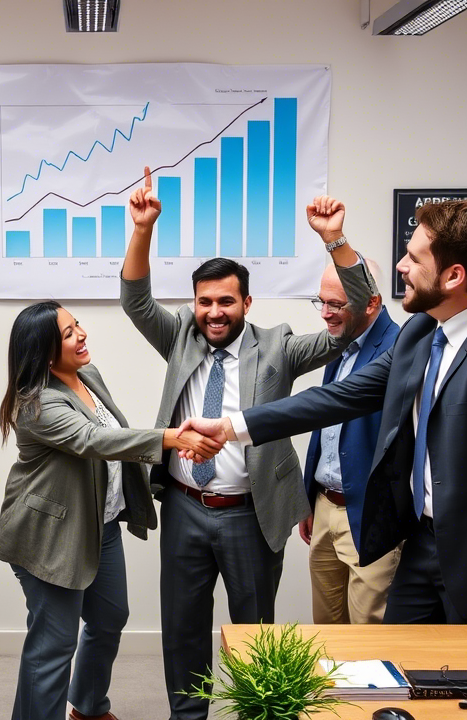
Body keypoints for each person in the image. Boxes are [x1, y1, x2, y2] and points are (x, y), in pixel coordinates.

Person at [183, 198, 467, 626]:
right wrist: (231, 426)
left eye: (414, 258)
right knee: (394, 673)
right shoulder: (423, 331)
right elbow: (339, 398)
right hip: (424, 541)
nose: (402, 266)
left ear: (454, 276)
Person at [118, 166, 376, 720]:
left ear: (247, 303)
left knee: (256, 631)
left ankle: (260, 716)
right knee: (183, 630)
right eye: (204, 302)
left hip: (251, 514)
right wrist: (142, 230)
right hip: (186, 508)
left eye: (226, 302)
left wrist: (334, 241)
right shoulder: (181, 337)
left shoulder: (279, 348)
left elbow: (357, 319)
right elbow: (135, 301)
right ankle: (188, 716)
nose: (214, 313)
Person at [0, 302, 222, 720]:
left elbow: (106, 434)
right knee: (54, 644)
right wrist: (169, 438)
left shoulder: (85, 376)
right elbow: (93, 439)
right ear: (43, 350)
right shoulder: (36, 405)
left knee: (111, 617)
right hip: (49, 536)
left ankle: (90, 707)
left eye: (78, 325)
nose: (82, 334)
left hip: (100, 524)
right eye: (69, 332)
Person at [300, 260, 401, 625]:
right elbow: (325, 424)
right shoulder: (341, 343)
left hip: (369, 513)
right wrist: (310, 498)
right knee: (327, 632)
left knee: (367, 637)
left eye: (336, 304)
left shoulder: (399, 348)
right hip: (325, 506)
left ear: (370, 302)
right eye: (321, 302)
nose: (325, 314)